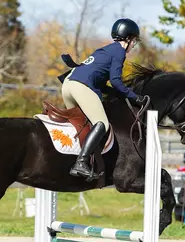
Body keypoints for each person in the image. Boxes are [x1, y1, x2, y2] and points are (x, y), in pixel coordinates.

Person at [61, 19, 149, 180]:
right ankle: (81, 162)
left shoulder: (105, 50)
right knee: (102, 123)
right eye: (134, 40)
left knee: (81, 125)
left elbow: (101, 83)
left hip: (68, 85)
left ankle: (70, 158)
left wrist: (117, 94)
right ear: (128, 38)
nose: (134, 45)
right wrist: (135, 97)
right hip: (80, 86)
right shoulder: (119, 52)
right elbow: (116, 81)